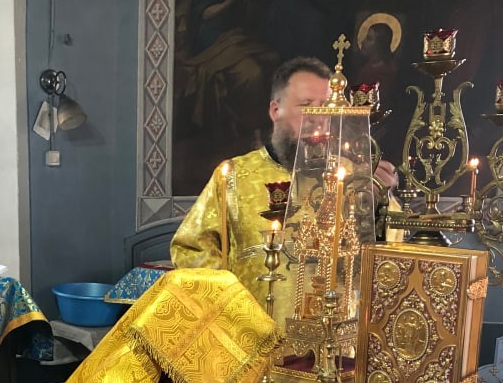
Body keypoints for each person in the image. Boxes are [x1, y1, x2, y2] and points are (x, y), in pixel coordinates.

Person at [171, 56, 399, 312]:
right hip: (256, 328)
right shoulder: (234, 176)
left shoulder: (352, 176)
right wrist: (232, 309)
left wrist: (378, 205)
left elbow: (392, 249)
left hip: (333, 328)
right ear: (275, 110)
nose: (318, 117)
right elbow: (190, 249)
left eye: (326, 107)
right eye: (306, 105)